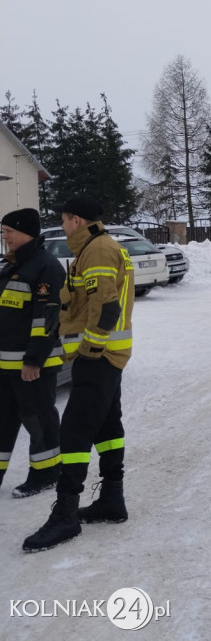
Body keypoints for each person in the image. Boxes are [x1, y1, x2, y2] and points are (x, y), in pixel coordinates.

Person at [23, 197, 134, 552]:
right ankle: (112, 500)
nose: (63, 224)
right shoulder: (95, 246)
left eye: (64, 219)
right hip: (109, 355)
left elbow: (106, 306)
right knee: (106, 426)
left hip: (98, 356)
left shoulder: (97, 250)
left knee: (74, 431)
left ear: (75, 220)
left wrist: (89, 351)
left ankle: (66, 513)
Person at [0, 208, 66, 499]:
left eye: (8, 231)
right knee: (2, 421)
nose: (4, 237)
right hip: (5, 364)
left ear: (25, 231)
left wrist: (33, 361)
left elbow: (47, 321)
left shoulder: (45, 267)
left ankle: (46, 473)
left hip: (32, 367)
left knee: (38, 420)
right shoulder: (11, 266)